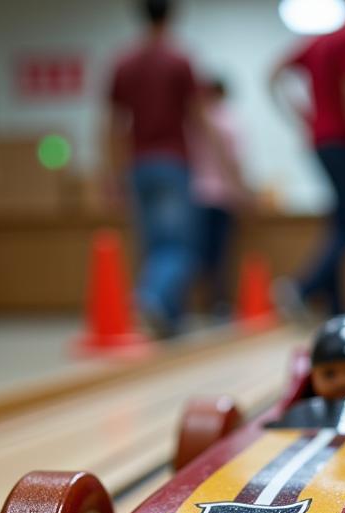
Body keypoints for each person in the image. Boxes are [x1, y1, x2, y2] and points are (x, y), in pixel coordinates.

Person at [108, 0, 229, 338]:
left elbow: (112, 125)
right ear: (172, 15)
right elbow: (200, 117)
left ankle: (170, 321)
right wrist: (228, 168)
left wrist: (113, 175)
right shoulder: (180, 60)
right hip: (173, 163)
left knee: (153, 245)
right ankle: (150, 297)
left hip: (138, 166)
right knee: (181, 248)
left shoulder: (124, 63)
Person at [270, 0, 345, 317]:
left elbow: (272, 74)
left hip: (321, 140)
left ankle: (336, 307)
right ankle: (301, 288)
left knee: (339, 223)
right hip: (343, 141)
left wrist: (304, 117)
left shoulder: (320, 40)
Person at [190, 78, 247, 320]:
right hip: (222, 194)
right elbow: (233, 161)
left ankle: (204, 303)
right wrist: (242, 190)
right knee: (219, 253)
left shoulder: (193, 123)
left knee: (202, 253)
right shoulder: (227, 121)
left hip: (195, 194)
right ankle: (218, 303)